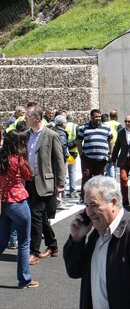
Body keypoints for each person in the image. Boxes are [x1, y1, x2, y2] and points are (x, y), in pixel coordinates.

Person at [64, 176, 130, 308]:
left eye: (94, 205)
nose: (89, 213)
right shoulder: (97, 234)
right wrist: (76, 240)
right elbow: (74, 271)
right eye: (86, 206)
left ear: (113, 202)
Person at [25, 106, 66, 264]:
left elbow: (59, 161)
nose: (25, 119)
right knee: (41, 216)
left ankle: (34, 252)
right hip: (29, 181)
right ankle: (53, 245)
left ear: (37, 118)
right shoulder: (26, 135)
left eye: (28, 116)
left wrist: (60, 183)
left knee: (35, 215)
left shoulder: (51, 135)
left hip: (45, 182)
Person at [0, 130, 39, 288]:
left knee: (2, 241)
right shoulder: (18, 159)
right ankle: (25, 279)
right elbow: (29, 175)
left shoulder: (1, 159)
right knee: (24, 242)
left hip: (3, 203)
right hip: (18, 202)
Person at [77, 109, 113, 201]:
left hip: (101, 159)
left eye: (99, 116)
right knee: (86, 177)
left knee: (99, 179)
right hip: (87, 158)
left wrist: (111, 153)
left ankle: (98, 197)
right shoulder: (83, 128)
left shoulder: (106, 128)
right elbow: (79, 141)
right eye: (96, 116)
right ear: (91, 117)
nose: (98, 118)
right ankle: (84, 196)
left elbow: (111, 141)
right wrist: (81, 154)